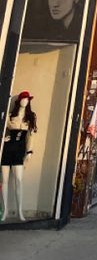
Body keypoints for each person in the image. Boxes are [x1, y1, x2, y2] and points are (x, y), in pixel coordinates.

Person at [1, 91, 36, 222]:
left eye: (27, 99)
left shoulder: (31, 117)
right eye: (23, 99)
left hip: (19, 150)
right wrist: (3, 139)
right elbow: (3, 128)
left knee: (19, 181)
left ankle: (20, 211)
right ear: (19, 101)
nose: (25, 101)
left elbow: (31, 136)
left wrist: (29, 151)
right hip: (7, 149)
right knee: (4, 181)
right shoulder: (10, 116)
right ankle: (5, 211)